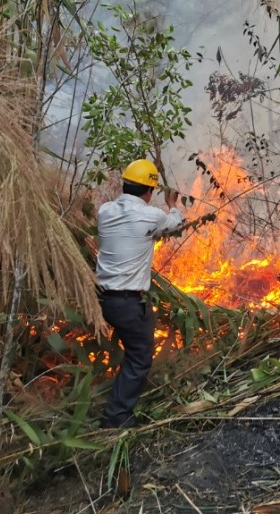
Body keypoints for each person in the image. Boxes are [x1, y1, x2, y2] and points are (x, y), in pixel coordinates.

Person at [95, 158, 184, 429]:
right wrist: (172, 204)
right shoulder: (151, 215)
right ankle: (117, 418)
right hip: (129, 303)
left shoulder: (105, 211)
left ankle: (115, 405)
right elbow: (176, 224)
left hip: (103, 300)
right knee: (140, 356)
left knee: (131, 351)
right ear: (148, 192)